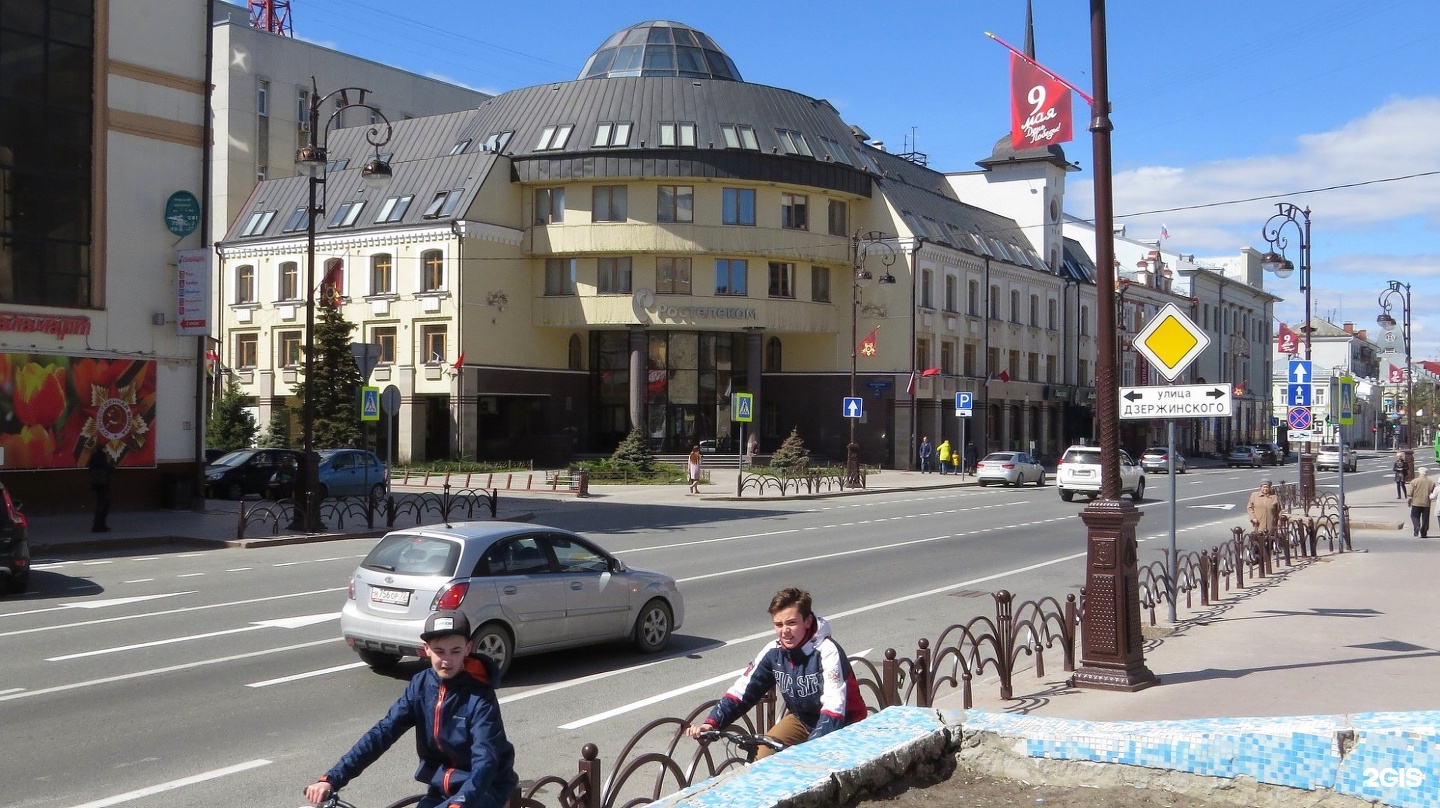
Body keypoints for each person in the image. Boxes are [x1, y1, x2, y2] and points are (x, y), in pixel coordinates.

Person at [304, 611, 517, 808]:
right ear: (426, 649)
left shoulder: (480, 695)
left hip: (485, 789)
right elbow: (382, 733)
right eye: (439, 651)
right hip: (442, 788)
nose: (446, 660)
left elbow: (486, 758)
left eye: (455, 651)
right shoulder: (421, 686)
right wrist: (332, 779)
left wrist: (462, 801)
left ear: (468, 649)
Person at [684, 588, 865, 758]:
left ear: (808, 621)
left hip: (843, 723)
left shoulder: (827, 651)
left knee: (812, 765)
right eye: (778, 624)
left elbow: (835, 707)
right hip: (802, 719)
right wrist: (712, 723)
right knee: (763, 756)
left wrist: (810, 749)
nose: (784, 631)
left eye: (791, 623)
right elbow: (743, 691)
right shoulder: (774, 651)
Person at [88, 449, 114, 533]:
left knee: (102, 504)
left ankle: (100, 525)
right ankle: (99, 526)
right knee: (103, 505)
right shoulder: (101, 459)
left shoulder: (95, 458)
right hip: (103, 484)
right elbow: (110, 468)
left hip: (98, 485)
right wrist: (110, 462)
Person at [1406, 467, 1435, 538]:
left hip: (1416, 502)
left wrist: (1409, 500)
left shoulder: (1414, 481)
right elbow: (1433, 493)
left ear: (1419, 473)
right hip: (1426, 503)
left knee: (1414, 516)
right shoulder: (1431, 482)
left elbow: (1410, 493)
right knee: (1425, 519)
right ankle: (1424, 532)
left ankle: (1417, 526)